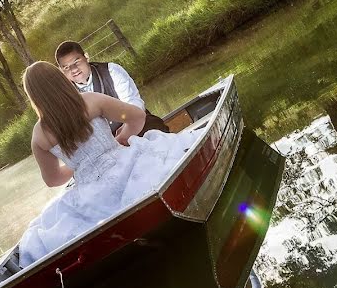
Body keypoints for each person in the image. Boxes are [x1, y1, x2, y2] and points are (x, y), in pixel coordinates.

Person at [16, 61, 205, 269]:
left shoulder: (39, 135)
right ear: (60, 80)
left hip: (89, 192)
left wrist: (78, 165)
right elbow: (137, 117)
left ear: (34, 96)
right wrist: (122, 137)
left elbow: (53, 180)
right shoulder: (90, 101)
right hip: (123, 162)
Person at [55, 40, 169, 135]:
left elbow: (135, 104)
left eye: (77, 62)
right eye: (66, 67)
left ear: (86, 57)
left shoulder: (111, 71)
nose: (73, 69)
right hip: (110, 146)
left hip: (139, 127)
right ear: (61, 71)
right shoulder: (66, 96)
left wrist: (126, 130)